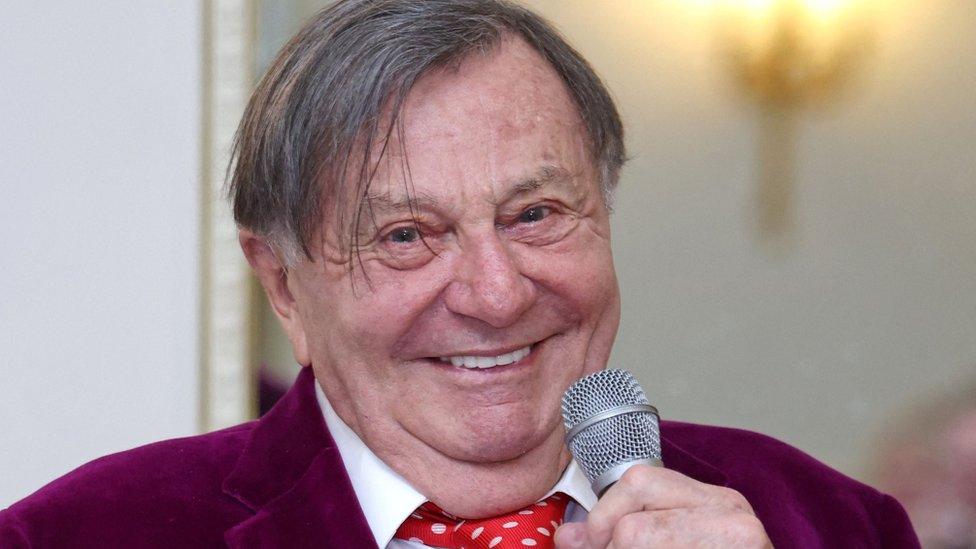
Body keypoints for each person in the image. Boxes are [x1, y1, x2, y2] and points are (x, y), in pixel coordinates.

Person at [0, 1, 919, 547]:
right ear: (282, 285)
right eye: (407, 235)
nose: (496, 292)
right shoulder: (82, 535)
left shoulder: (831, 523)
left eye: (535, 215)